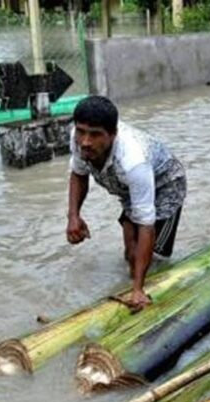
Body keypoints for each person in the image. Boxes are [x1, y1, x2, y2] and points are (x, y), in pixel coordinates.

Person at [66, 96, 187, 310]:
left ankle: (143, 288)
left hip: (165, 185)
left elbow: (146, 226)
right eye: (82, 131)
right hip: (129, 189)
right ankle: (133, 276)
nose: (85, 141)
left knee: (155, 258)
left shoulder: (132, 161)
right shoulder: (78, 140)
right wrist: (74, 216)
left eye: (95, 135)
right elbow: (78, 173)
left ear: (113, 135)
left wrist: (138, 289)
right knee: (130, 256)